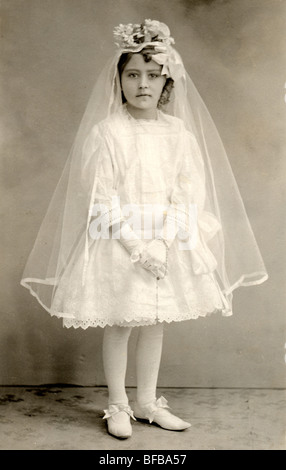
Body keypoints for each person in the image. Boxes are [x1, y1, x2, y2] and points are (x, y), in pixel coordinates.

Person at [20, 20, 268, 439]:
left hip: (166, 240)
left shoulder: (179, 134)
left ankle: (148, 402)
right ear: (118, 80)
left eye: (153, 76)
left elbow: (187, 193)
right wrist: (138, 247)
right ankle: (118, 404)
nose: (142, 84)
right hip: (120, 240)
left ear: (167, 82)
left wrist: (163, 243)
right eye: (132, 74)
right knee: (121, 322)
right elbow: (101, 197)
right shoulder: (108, 132)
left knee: (156, 322)